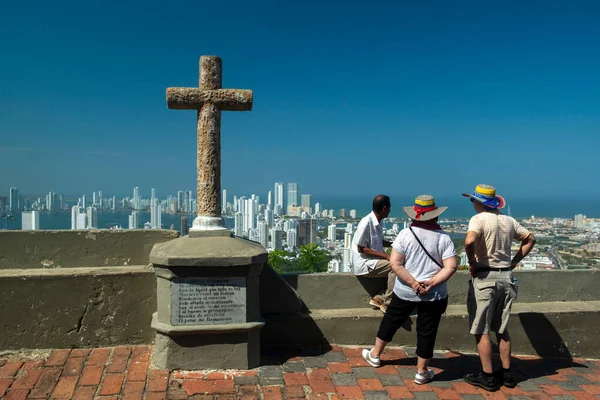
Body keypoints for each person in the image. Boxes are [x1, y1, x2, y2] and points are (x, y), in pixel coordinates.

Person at [362, 195, 457, 385]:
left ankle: (375, 354)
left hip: (405, 290)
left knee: (391, 320)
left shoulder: (405, 235)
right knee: (427, 331)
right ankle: (421, 372)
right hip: (435, 294)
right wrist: (430, 283)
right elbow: (451, 266)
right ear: (435, 216)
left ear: (414, 216)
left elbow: (395, 263)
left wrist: (413, 283)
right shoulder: (444, 238)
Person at [462, 184, 536, 391]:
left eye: (473, 200)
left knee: (481, 330)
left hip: (486, 277)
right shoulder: (509, 221)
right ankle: (507, 374)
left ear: (479, 202)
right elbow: (530, 239)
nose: (472, 204)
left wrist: (472, 262)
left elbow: (469, 242)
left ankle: (487, 377)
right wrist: (514, 261)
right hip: (507, 277)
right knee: (502, 329)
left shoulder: (478, 219)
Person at [351, 195, 395, 313]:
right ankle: (388, 302)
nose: (390, 210)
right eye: (389, 208)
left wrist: (394, 244)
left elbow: (377, 241)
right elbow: (361, 248)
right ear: (384, 208)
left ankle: (379, 298)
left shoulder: (378, 222)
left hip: (373, 261)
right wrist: (385, 256)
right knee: (395, 267)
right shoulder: (366, 222)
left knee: (399, 264)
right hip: (366, 263)